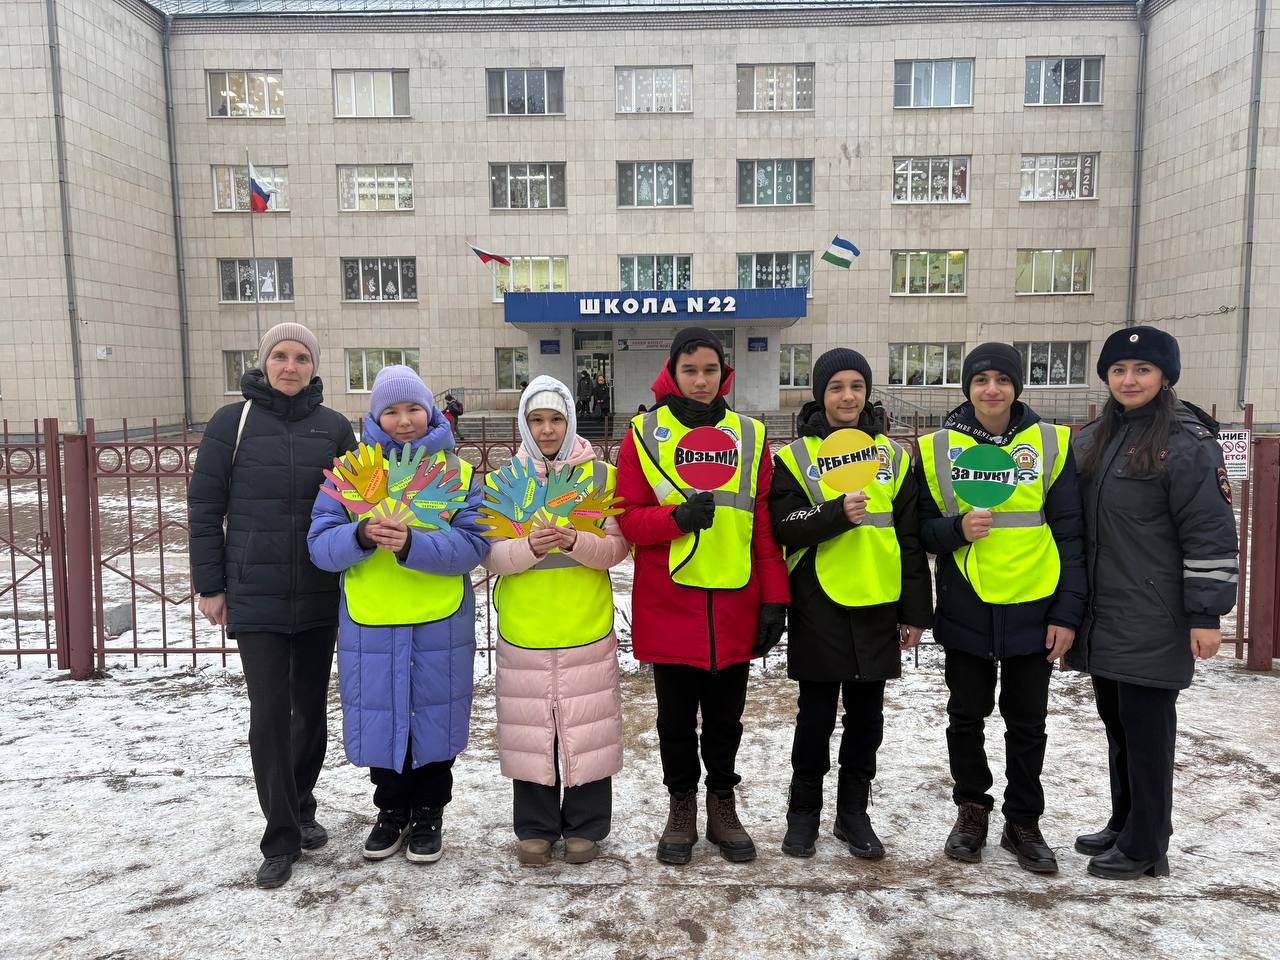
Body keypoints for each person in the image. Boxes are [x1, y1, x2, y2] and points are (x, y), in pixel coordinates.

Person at [188, 322, 356, 890]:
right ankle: (280, 837)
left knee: (309, 710)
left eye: (301, 357)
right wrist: (211, 585)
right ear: (264, 362)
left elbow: (356, 506)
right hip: (254, 590)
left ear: (313, 366)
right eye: (280, 356)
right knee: (269, 715)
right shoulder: (230, 423)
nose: (290, 366)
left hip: (318, 590)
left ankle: (302, 805)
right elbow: (205, 508)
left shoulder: (334, 428)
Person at [615, 326, 790, 865]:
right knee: (673, 721)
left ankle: (722, 805)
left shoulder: (751, 435)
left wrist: (775, 598)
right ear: (672, 372)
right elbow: (627, 520)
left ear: (723, 373)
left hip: (735, 602)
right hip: (670, 605)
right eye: (689, 370)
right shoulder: (644, 434)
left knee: (725, 720)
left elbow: (763, 528)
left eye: (710, 370)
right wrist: (675, 518)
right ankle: (682, 806)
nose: (700, 380)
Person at [1069, 326, 1238, 880]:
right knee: (1118, 725)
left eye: (1142, 369)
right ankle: (1125, 822)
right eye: (1119, 370)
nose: (1129, 379)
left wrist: (1206, 614)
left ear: (1165, 376)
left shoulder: (1186, 442)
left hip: (1156, 613)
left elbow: (1209, 531)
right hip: (1105, 612)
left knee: (1147, 733)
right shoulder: (1094, 438)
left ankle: (1147, 844)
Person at [914, 342, 1085, 875]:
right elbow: (920, 532)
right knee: (966, 717)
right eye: (981, 379)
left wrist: (1067, 613)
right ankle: (972, 810)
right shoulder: (937, 449)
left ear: (1017, 386)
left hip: (1035, 602)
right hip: (967, 601)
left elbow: (1072, 535)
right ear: (967, 387)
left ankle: (1023, 821)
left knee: (1027, 721)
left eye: (1003, 379)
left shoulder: (1051, 443)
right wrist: (956, 530)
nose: (992, 389)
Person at [307, 365, 488, 865]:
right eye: (391, 411)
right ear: (375, 417)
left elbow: (474, 543)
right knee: (381, 716)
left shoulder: (457, 473)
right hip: (372, 617)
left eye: (413, 409)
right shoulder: (352, 473)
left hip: (438, 619)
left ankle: (429, 811)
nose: (404, 421)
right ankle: (390, 810)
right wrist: (360, 535)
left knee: (434, 716)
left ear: (430, 412)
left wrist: (413, 544)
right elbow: (320, 545)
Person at [770, 349, 932, 860]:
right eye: (836, 386)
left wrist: (914, 612)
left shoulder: (894, 458)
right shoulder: (794, 458)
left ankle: (853, 814)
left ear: (867, 392)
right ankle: (803, 815)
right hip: (819, 601)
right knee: (815, 717)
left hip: (878, 602)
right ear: (820, 394)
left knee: (867, 719)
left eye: (856, 386)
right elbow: (784, 526)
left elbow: (909, 539)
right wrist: (835, 514)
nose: (847, 397)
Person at [482, 376, 629, 867]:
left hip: (585, 626)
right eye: (536, 420)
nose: (546, 430)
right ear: (524, 424)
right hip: (525, 629)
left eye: (556, 419)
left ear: (571, 421)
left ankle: (586, 827)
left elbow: (617, 549)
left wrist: (575, 542)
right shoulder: (504, 480)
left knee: (588, 729)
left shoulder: (600, 476)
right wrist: (528, 548)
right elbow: (491, 555)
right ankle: (536, 829)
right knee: (530, 734)